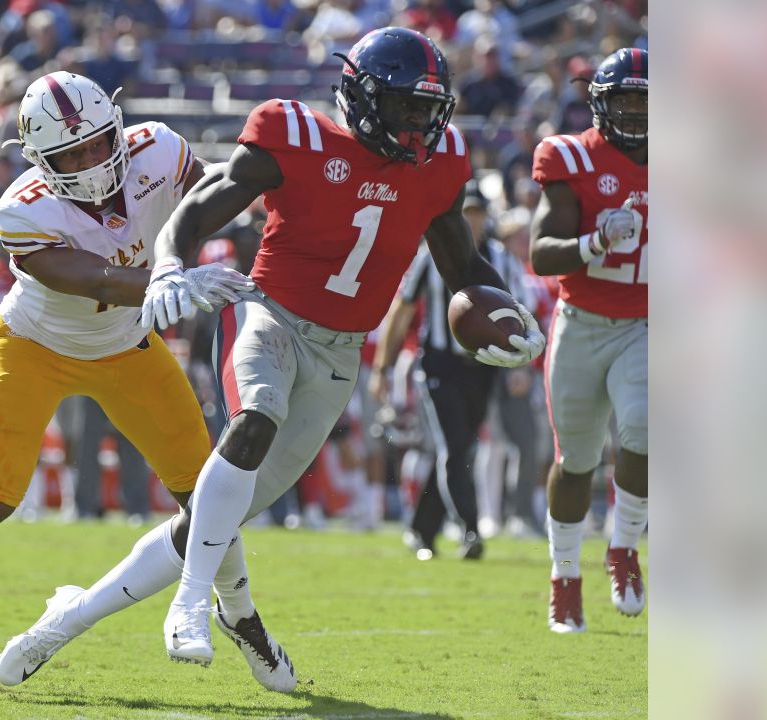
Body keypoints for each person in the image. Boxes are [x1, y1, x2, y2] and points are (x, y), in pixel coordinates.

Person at [0, 72, 297, 693]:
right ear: (38, 159)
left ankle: (241, 616)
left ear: (115, 123)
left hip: (128, 347)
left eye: (94, 144)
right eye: (70, 154)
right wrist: (175, 279)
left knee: (209, 494)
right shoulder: (20, 210)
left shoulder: (157, 148)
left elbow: (217, 193)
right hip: (36, 346)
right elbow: (97, 280)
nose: (88, 163)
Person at [142, 27, 546, 666]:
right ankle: (194, 604)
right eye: (406, 107)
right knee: (250, 427)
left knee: (221, 515)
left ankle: (91, 616)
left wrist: (517, 319)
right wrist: (168, 263)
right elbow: (198, 206)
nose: (419, 127)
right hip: (271, 314)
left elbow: (464, 268)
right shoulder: (295, 136)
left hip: (340, 351)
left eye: (429, 111)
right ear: (363, 96)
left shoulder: (438, 166)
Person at [529, 48, 648, 633]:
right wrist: (593, 242)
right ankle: (565, 574)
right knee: (575, 461)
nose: (633, 111)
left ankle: (624, 547)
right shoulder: (569, 155)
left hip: (650, 324)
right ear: (599, 105)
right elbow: (540, 249)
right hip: (581, 322)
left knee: (646, 428)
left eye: (644, 100)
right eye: (623, 99)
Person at [371, 190, 524, 561]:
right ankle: (469, 529)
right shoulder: (432, 255)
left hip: (484, 367)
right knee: (454, 447)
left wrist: (523, 363)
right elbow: (402, 311)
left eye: (476, 213)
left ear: (486, 217)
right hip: (439, 364)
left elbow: (521, 311)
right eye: (465, 213)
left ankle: (421, 528)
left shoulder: (501, 260)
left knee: (461, 449)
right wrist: (382, 367)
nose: (470, 221)